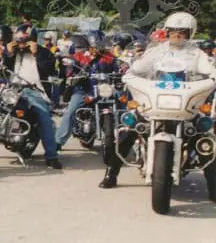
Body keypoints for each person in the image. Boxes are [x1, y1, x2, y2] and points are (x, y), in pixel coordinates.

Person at [99, 11, 215, 188]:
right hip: (155, 101)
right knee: (129, 129)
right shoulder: (156, 52)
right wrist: (130, 73)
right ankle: (111, 173)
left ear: (190, 33)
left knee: (204, 136)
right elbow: (138, 68)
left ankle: (213, 186)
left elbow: (210, 70)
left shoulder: (197, 54)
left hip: (185, 105)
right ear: (167, 31)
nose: (177, 34)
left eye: (182, 31)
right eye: (173, 30)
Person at [3, 24, 63, 168]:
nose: (21, 44)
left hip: (35, 92)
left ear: (32, 40)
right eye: (18, 41)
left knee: (44, 118)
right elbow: (4, 70)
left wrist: (37, 54)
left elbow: (48, 70)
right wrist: (8, 54)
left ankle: (52, 156)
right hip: (13, 89)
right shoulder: (14, 52)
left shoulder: (45, 53)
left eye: (24, 41)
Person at [55, 39, 116, 150]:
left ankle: (127, 136)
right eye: (93, 46)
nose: (95, 48)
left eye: (97, 46)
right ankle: (58, 141)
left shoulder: (109, 57)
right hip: (84, 90)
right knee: (70, 112)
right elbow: (70, 69)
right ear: (88, 46)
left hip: (103, 91)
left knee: (124, 106)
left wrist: (124, 71)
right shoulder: (80, 56)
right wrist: (71, 73)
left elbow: (118, 68)